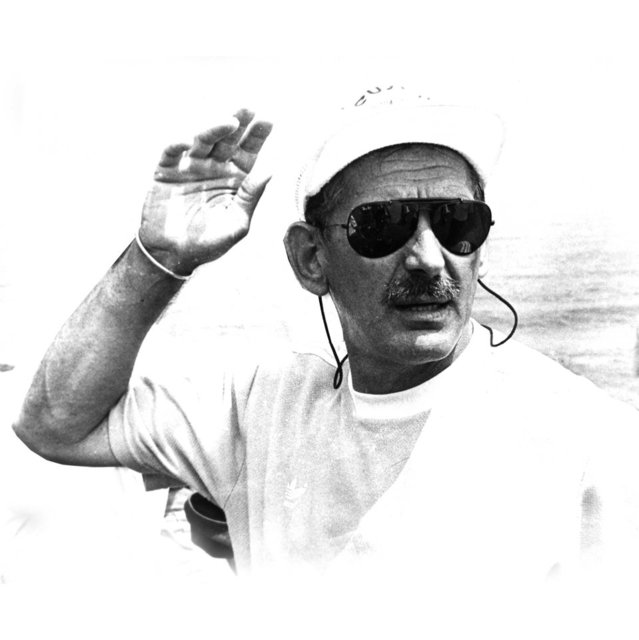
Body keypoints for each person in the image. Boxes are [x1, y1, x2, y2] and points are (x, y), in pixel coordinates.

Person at [12, 86, 639, 597]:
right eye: (382, 225)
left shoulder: (588, 441)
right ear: (311, 259)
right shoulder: (258, 411)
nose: (429, 258)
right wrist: (160, 260)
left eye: (456, 222)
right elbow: (56, 424)